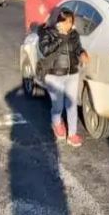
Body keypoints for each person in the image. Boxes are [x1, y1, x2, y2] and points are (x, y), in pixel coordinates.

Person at [38, 8, 88, 147]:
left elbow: (78, 48)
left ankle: (72, 134)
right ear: (58, 22)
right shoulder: (48, 33)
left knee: (71, 105)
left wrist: (83, 53)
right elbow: (46, 50)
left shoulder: (74, 34)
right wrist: (60, 38)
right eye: (65, 22)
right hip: (55, 75)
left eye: (70, 21)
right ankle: (57, 123)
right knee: (58, 105)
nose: (68, 24)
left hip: (72, 74)